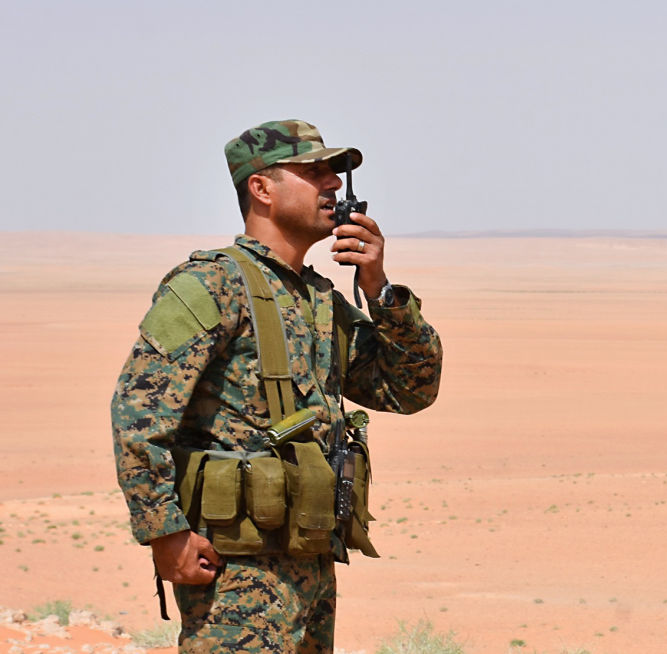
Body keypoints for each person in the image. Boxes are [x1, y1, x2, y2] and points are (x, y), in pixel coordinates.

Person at [111, 119, 442, 653]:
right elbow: (138, 414)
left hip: (309, 558)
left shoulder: (318, 301)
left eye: (336, 175)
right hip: (236, 570)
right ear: (261, 189)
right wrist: (165, 532)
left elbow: (409, 390)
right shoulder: (212, 284)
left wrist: (380, 290)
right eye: (314, 172)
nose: (333, 185)